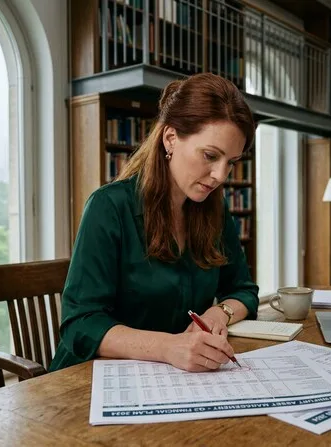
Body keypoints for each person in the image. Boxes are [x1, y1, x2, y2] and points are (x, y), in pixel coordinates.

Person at [49, 73, 260, 373]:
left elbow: (244, 290)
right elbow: (80, 324)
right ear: (170, 138)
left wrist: (218, 313)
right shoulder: (109, 208)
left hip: (171, 376)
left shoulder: (214, 210)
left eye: (231, 162)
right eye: (211, 155)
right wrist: (168, 347)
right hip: (88, 381)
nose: (221, 176)